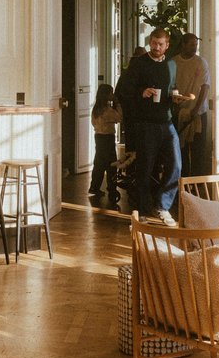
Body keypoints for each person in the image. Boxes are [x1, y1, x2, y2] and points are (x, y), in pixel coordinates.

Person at [123, 29, 185, 224]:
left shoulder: (171, 64)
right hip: (146, 123)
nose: (157, 47)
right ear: (150, 42)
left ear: (167, 45)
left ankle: (162, 206)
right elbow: (124, 90)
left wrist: (176, 96)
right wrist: (142, 92)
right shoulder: (139, 63)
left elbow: (172, 86)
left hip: (166, 122)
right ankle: (141, 210)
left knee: (176, 164)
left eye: (161, 44)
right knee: (145, 168)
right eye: (154, 43)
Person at [173, 32, 210, 177]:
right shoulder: (174, 62)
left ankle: (197, 182)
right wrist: (176, 106)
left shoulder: (201, 62)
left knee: (197, 149)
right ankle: (184, 180)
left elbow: (205, 86)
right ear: (183, 44)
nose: (195, 48)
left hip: (199, 112)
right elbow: (172, 86)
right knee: (180, 148)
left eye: (196, 45)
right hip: (180, 111)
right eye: (192, 45)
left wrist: (196, 108)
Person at [88, 83, 121, 204]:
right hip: (108, 138)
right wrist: (117, 104)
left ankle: (94, 187)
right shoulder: (107, 111)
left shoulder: (96, 109)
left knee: (99, 163)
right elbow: (119, 117)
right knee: (112, 163)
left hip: (98, 137)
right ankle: (112, 188)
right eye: (111, 93)